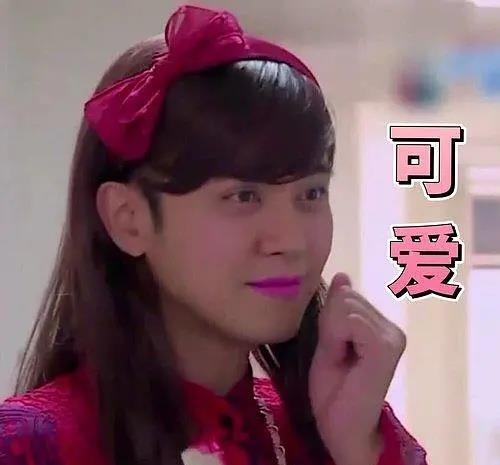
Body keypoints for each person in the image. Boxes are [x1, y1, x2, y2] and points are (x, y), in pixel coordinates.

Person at [0, 5, 428, 465]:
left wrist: (357, 449)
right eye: (244, 196)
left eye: (311, 193)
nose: (291, 242)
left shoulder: (328, 427)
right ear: (129, 219)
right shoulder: (34, 444)